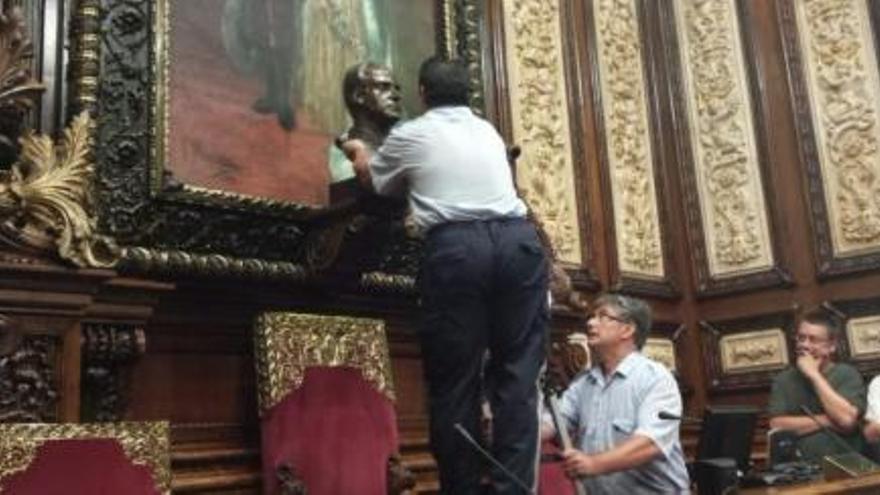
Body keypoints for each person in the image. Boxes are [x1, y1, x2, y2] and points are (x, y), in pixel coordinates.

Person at [341, 56, 548, 495]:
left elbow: (371, 182)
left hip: (459, 250)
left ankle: (463, 488)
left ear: (422, 92)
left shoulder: (411, 134)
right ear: (466, 94)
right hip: (518, 244)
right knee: (518, 377)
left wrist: (357, 150)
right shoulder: (488, 131)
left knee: (455, 379)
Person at [541, 293, 690, 494]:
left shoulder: (655, 378)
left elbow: (650, 444)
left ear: (627, 330)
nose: (591, 323)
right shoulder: (583, 382)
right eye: (591, 317)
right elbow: (555, 422)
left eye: (602, 316)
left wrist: (593, 464)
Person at [768, 308, 866, 461]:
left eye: (813, 340)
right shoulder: (783, 380)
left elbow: (846, 419)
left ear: (831, 346)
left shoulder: (847, 374)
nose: (804, 345)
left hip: (846, 465)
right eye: (801, 338)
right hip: (798, 471)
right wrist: (829, 420)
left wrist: (814, 375)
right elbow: (777, 425)